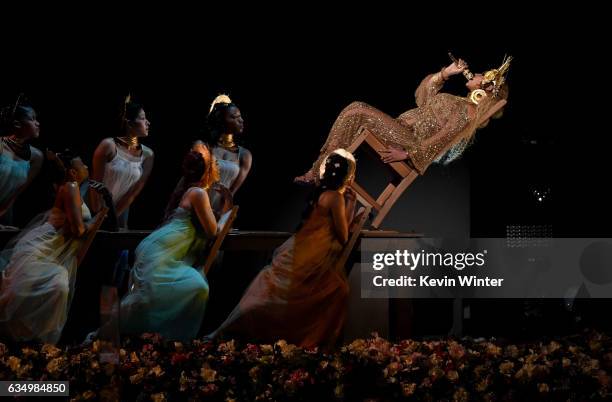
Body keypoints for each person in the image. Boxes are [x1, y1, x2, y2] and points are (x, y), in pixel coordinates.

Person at [211, 149, 357, 349]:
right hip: (314, 253)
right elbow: (343, 235)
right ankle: (312, 342)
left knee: (284, 295)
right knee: (336, 291)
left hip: (300, 247)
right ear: (345, 177)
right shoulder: (335, 197)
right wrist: (352, 203)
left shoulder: (320, 192)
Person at [295, 55, 511, 184]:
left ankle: (320, 172)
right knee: (355, 111)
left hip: (408, 141)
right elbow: (422, 98)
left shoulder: (468, 112)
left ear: (488, 87)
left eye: (483, 76)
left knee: (356, 109)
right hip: (400, 128)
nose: (478, 75)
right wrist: (446, 73)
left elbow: (443, 140)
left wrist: (409, 153)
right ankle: (328, 172)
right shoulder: (458, 101)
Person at [0, 149, 107, 343]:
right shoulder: (70, 187)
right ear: (73, 173)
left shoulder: (76, 189)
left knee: (57, 286)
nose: (86, 167)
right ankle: (27, 337)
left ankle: (37, 339)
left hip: (55, 249)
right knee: (48, 286)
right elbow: (78, 230)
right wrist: (96, 220)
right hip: (45, 246)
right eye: (82, 165)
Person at [120, 147, 219, 341]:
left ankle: (157, 336)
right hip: (161, 250)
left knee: (155, 296)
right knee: (192, 288)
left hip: (162, 247)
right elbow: (212, 230)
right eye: (215, 165)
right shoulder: (198, 192)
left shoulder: (192, 191)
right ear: (208, 170)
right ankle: (153, 335)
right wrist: (224, 215)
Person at [90, 96, 154, 229]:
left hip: (119, 211)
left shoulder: (148, 155)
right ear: (129, 123)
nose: (148, 122)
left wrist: (112, 216)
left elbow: (133, 193)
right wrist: (98, 215)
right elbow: (95, 184)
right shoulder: (108, 146)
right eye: (142, 118)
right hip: (93, 206)